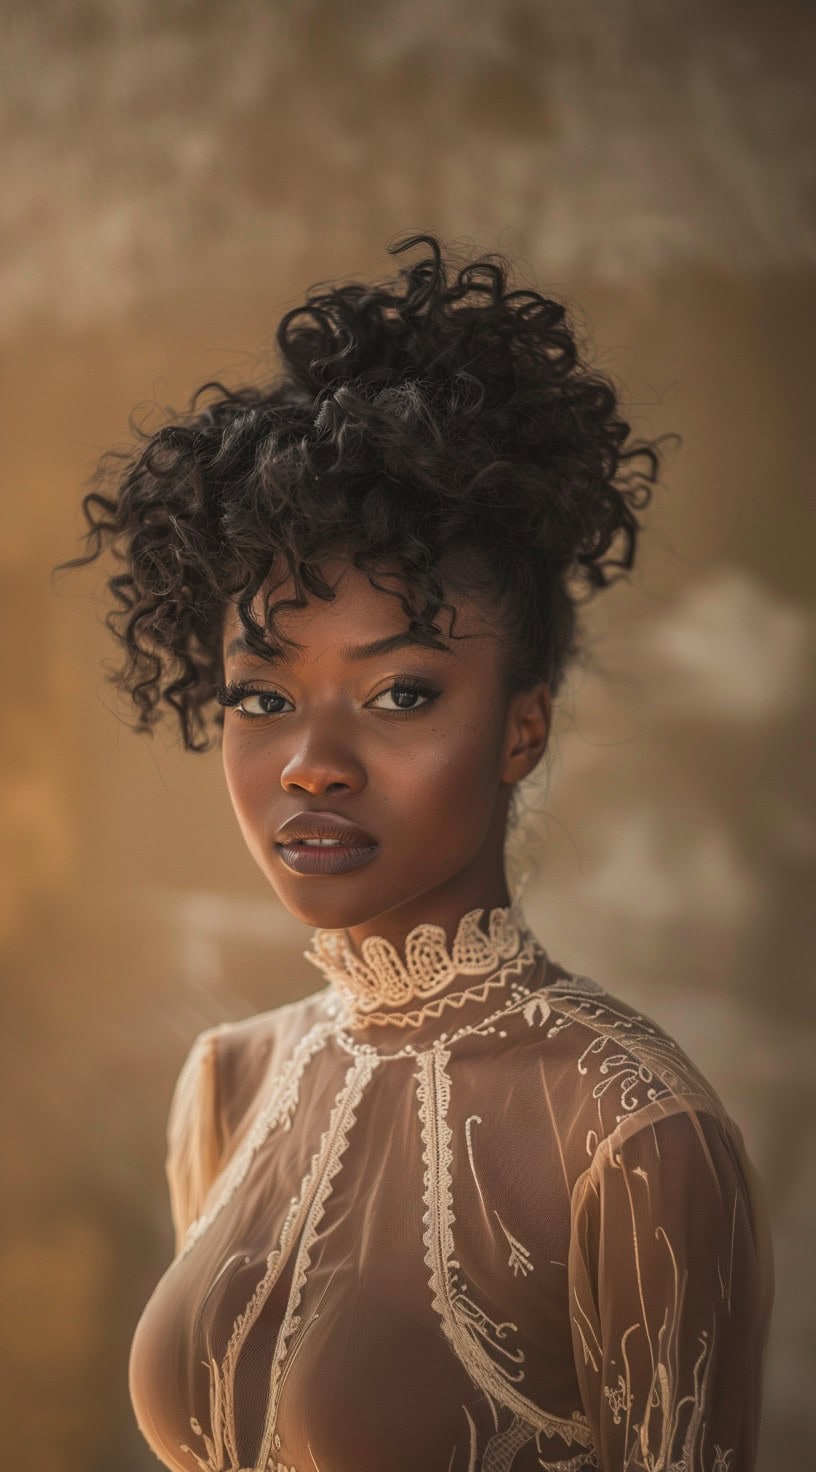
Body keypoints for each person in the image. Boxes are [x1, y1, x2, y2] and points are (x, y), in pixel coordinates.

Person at [60, 233, 774, 1471]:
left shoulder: (634, 1136)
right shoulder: (226, 1085)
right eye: (261, 697)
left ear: (522, 725)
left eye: (398, 695)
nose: (311, 762)